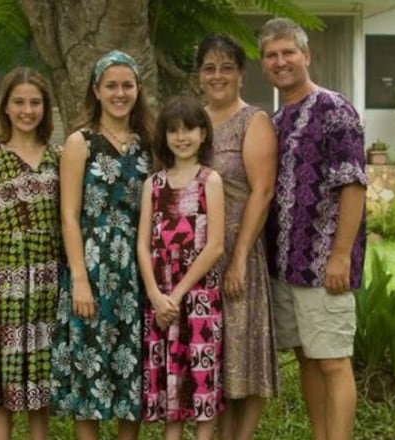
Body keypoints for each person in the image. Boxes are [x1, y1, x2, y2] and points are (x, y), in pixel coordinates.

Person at [259, 18, 367, 440]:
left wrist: (340, 255)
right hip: (286, 265)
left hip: (324, 264)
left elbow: (353, 184)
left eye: (288, 52)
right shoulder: (276, 120)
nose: (280, 61)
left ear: (306, 56)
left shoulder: (333, 110)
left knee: (333, 361)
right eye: (271, 55)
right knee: (307, 357)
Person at [50, 50, 155, 440]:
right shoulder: (81, 142)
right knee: (89, 369)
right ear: (96, 90)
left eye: (127, 85)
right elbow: (69, 215)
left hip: (135, 267)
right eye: (111, 85)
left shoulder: (148, 142)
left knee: (132, 371)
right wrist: (79, 277)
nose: (120, 92)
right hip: (91, 266)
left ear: (137, 89)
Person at [195, 34, 279, 440]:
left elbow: (262, 192)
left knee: (243, 354)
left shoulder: (254, 121)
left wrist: (239, 257)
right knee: (214, 357)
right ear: (199, 75)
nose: (218, 75)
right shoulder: (191, 121)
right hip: (195, 256)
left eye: (227, 67)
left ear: (241, 74)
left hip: (236, 250)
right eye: (209, 67)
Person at [0, 66, 62, 440]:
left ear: (45, 107)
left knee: (40, 367)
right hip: (7, 278)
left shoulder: (58, 156)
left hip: (47, 276)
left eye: (35, 102)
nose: (28, 110)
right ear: (6, 107)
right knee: (5, 366)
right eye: (20, 102)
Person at [138, 95, 225, 440]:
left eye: (189, 128)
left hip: (199, 295)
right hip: (161, 298)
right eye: (173, 130)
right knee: (170, 383)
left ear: (203, 133)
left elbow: (215, 245)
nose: (182, 137)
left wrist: (176, 294)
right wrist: (155, 295)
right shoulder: (153, 184)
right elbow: (143, 245)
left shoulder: (210, 181)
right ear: (164, 136)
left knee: (203, 382)